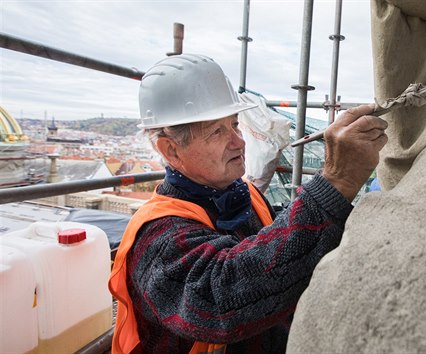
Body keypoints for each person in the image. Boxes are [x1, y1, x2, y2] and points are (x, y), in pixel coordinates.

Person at [108, 53, 388, 354]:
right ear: (171, 150)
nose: (239, 142)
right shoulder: (156, 240)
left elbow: (277, 246)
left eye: (234, 125)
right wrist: (335, 183)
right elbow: (222, 296)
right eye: (217, 131)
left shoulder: (245, 195)